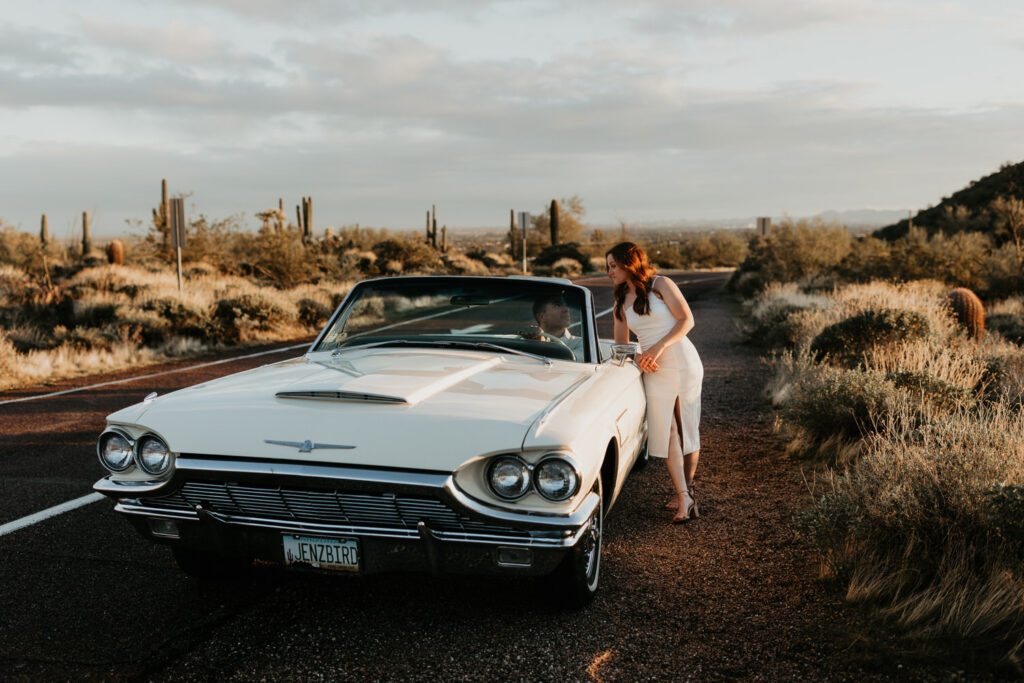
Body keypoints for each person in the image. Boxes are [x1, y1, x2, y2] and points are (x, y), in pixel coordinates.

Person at [606, 242, 703, 523]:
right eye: (608, 266)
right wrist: (639, 358)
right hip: (654, 369)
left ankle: (686, 491)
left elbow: (686, 321)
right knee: (667, 428)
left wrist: (656, 349)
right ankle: (683, 495)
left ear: (629, 263)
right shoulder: (620, 303)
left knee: (686, 427)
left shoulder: (661, 284)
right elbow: (621, 346)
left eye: (614, 265)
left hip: (682, 360)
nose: (610, 271)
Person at [532, 294, 585, 360]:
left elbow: (572, 362)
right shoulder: (526, 342)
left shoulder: (582, 344)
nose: (566, 310)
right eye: (557, 306)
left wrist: (542, 343)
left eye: (566, 305)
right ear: (541, 317)